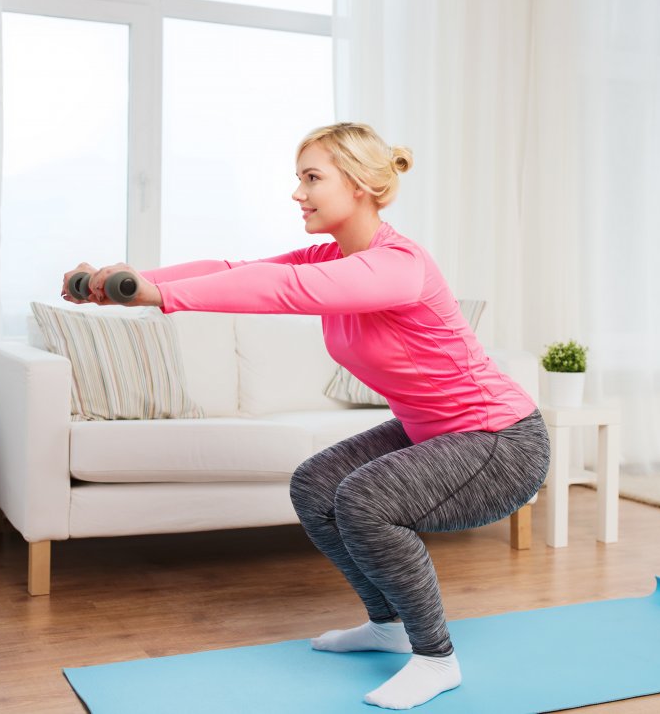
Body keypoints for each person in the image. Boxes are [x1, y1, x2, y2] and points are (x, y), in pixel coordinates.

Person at [62, 122, 549, 710]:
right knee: (316, 485)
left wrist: (158, 296)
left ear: (363, 185)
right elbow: (232, 267)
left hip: (501, 442)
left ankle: (436, 658)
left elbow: (281, 289)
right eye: (300, 179)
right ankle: (388, 624)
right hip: (440, 433)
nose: (298, 194)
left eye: (312, 178)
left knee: (366, 500)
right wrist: (128, 284)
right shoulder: (331, 255)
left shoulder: (398, 265)